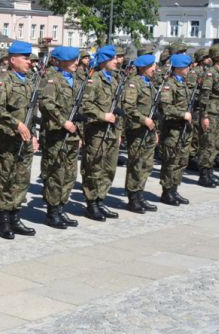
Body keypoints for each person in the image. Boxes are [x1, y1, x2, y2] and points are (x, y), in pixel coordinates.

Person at [0, 41, 38, 239]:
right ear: (13, 60)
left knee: (22, 179)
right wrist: (16, 124)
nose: (29, 62)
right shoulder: (3, 80)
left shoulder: (29, 81)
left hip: (25, 139)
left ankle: (15, 215)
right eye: (25, 58)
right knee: (7, 180)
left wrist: (33, 135)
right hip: (8, 139)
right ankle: (4, 220)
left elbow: (31, 113)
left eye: (29, 58)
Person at [38, 46, 82, 229]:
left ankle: (61, 207)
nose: (76, 63)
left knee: (70, 174)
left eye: (76, 59)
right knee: (56, 173)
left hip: (72, 135)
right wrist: (64, 122)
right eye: (72, 60)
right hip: (56, 134)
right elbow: (47, 104)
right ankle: (52, 212)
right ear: (61, 61)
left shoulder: (76, 80)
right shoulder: (51, 79)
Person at [80, 45, 121, 222]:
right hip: (97, 132)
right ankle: (92, 203)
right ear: (104, 60)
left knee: (109, 168)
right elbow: (85, 105)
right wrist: (103, 115)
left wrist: (119, 132)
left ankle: (101, 199)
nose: (116, 61)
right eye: (112, 59)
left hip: (112, 132)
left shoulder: (113, 80)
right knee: (94, 167)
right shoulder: (94, 80)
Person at [121, 53, 159, 213]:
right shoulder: (133, 84)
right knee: (136, 164)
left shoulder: (149, 84)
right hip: (137, 130)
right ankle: (133, 198)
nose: (155, 69)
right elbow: (128, 107)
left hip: (148, 131)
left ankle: (140, 194)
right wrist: (143, 120)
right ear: (143, 68)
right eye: (152, 66)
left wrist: (154, 130)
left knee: (146, 165)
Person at [159, 54, 195, 205]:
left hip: (184, 129)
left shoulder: (183, 83)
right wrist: (183, 114)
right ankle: (167, 192)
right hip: (173, 129)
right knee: (171, 161)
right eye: (186, 66)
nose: (188, 69)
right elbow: (165, 108)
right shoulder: (169, 85)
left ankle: (174, 189)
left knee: (182, 160)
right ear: (179, 68)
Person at [196, 44, 219, 188]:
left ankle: (210, 173)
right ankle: (204, 175)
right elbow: (204, 97)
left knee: (216, 144)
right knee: (208, 143)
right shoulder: (210, 73)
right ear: (217, 56)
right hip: (211, 113)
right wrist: (204, 116)